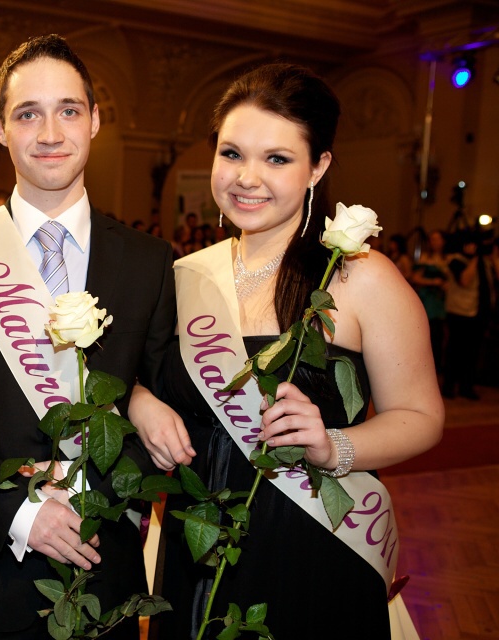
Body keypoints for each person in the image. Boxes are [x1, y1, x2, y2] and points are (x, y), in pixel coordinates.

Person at [135, 64, 444, 639]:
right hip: (195, 546)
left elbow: (421, 416)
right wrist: (138, 401)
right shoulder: (183, 277)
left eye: (276, 158)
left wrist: (333, 447)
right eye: (232, 154)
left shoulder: (360, 277)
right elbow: (147, 381)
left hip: (312, 549)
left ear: (317, 167)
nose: (247, 178)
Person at [0, 34, 177, 639]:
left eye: (68, 110)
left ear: (95, 120)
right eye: (28, 114)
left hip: (104, 566)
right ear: (0, 129)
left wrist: (91, 493)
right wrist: (22, 511)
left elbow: (169, 405)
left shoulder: (151, 262)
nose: (50, 133)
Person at [441, 231, 493, 400]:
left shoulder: (486, 262)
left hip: (478, 313)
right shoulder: (456, 260)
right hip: (459, 313)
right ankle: (449, 385)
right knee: (455, 351)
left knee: (473, 353)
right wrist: (475, 258)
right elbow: (464, 280)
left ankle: (467, 386)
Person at [411, 229, 448, 371]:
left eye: (437, 239)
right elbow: (415, 278)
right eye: (432, 239)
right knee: (426, 334)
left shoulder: (448, 258)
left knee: (439, 336)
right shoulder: (425, 257)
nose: (434, 242)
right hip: (427, 299)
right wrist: (433, 282)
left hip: (442, 301)